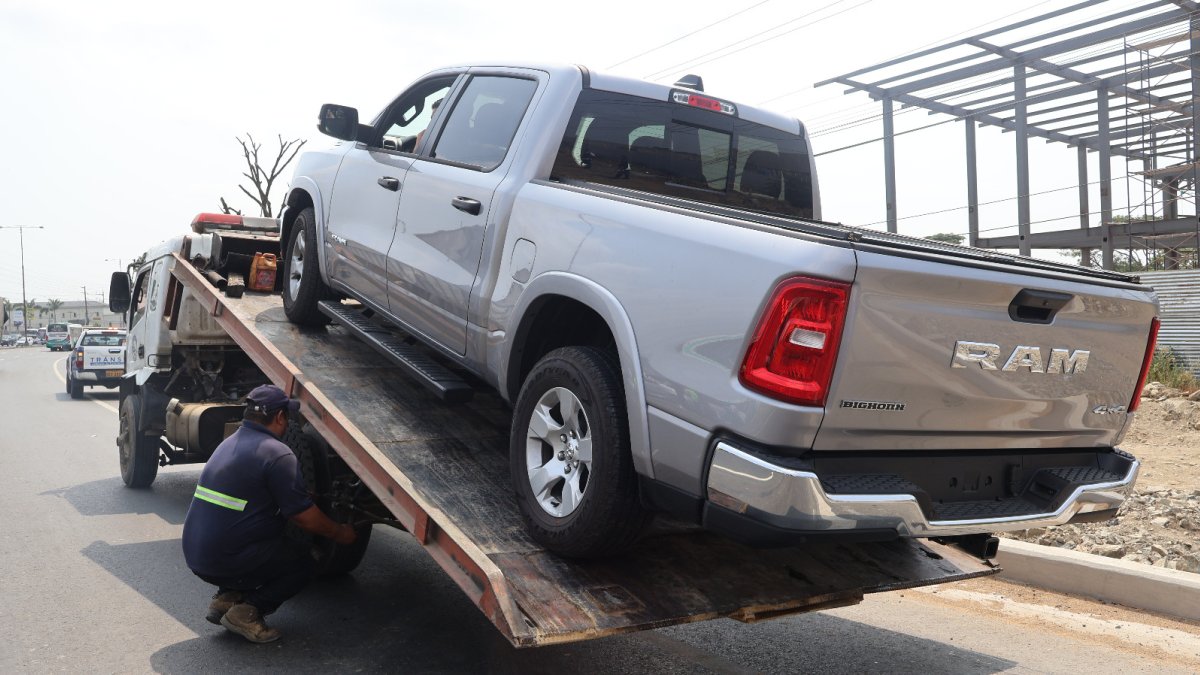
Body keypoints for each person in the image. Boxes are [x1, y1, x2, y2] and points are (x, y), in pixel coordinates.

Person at [181, 384, 357, 643]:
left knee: (245, 530)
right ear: (279, 417)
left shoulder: (229, 444)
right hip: (226, 559)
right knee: (306, 561)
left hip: (197, 555)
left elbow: (252, 493)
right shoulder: (277, 453)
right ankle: (247, 611)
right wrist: (340, 533)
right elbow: (303, 517)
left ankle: (225, 597)